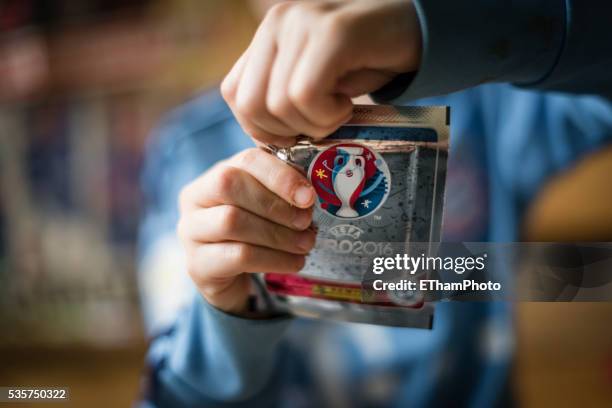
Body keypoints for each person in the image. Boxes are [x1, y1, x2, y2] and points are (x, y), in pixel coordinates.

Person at [138, 1, 612, 406]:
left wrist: (435, 26)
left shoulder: (489, 101)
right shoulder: (192, 150)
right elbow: (171, 392)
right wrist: (226, 319)